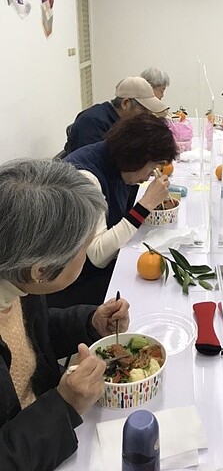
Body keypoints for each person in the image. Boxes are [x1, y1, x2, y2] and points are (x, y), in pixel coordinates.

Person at [0, 158, 130, 471]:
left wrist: (91, 322)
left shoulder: (18, 282)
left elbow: (33, 337)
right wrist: (64, 405)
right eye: (83, 249)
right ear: (41, 269)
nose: (86, 256)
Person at [48, 112, 178, 308]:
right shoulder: (86, 178)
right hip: (67, 282)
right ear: (138, 157)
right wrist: (145, 205)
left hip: (84, 270)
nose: (151, 175)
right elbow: (98, 255)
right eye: (152, 168)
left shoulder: (117, 160)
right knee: (148, 298)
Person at [64, 76, 169, 155]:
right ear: (125, 103)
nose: (146, 115)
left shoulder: (125, 120)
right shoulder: (93, 122)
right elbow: (92, 165)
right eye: (143, 110)